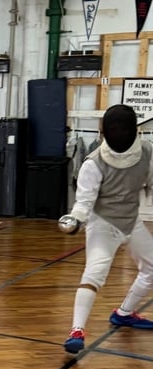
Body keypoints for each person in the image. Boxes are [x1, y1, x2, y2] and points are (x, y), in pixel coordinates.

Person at [61, 103, 153, 354]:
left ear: (135, 129)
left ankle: (124, 313)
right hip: (104, 224)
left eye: (124, 127)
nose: (120, 133)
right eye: (115, 128)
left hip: (131, 221)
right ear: (104, 132)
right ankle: (76, 331)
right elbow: (84, 201)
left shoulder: (146, 152)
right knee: (94, 274)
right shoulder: (94, 162)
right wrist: (77, 218)